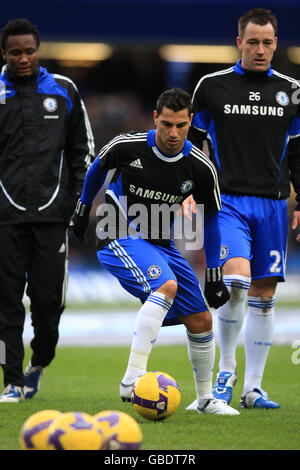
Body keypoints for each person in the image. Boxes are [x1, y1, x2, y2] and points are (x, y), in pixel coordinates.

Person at [70, 87, 240, 415]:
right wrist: (83, 206)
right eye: (166, 124)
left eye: (180, 125)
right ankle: (133, 378)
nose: (173, 133)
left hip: (162, 243)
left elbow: (213, 219)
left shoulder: (201, 167)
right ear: (155, 120)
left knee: (202, 319)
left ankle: (204, 400)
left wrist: (216, 270)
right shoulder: (127, 145)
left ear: (191, 121)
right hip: (118, 232)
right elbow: (96, 169)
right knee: (166, 285)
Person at [185, 8, 300, 410]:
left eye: (268, 42)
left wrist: (299, 198)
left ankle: (253, 389)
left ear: (275, 43)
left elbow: (298, 151)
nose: (261, 49)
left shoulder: (292, 91)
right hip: (226, 202)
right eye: (252, 41)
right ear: (239, 43)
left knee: (265, 295)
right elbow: (191, 144)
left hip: (271, 204)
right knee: (236, 284)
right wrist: (186, 189)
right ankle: (226, 373)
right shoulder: (212, 87)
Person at [0, 18, 94, 403]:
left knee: (47, 304)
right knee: (5, 305)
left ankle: (39, 362)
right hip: (4, 220)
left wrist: (76, 204)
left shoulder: (64, 90)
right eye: (15, 52)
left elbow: (83, 151)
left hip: (52, 220)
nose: (24, 58)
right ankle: (11, 379)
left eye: (30, 51)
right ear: (4, 54)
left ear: (39, 50)